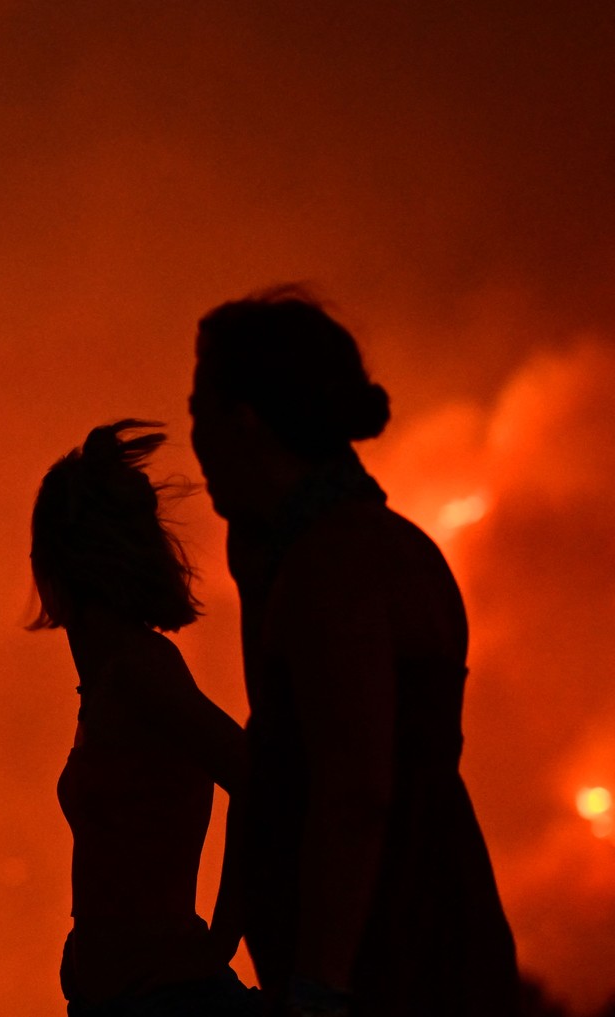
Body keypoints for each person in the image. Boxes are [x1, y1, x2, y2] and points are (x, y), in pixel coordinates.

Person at [189, 288, 520, 1016]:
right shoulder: (368, 549)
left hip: (390, 964)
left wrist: (320, 988)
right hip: (419, 943)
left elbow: (354, 791)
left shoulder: (333, 568)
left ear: (244, 422)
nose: (196, 445)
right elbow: (281, 750)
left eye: (198, 415)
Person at [30, 420, 256, 1016]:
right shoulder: (109, 680)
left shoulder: (140, 669)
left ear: (54, 561)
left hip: (168, 999)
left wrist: (218, 945)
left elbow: (257, 779)